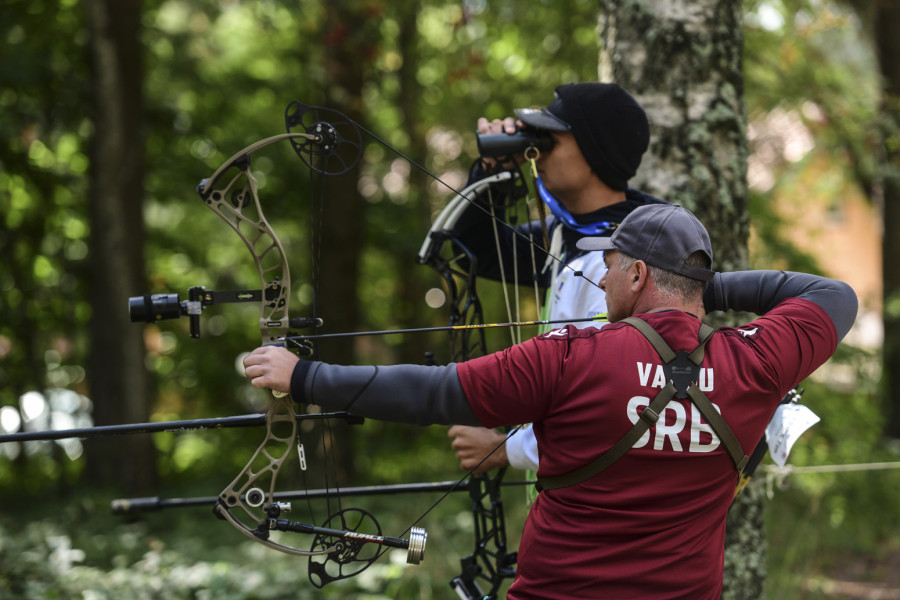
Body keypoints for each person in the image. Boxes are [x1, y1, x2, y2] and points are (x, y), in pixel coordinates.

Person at [242, 203, 858, 598]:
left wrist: (304, 377)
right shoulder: (756, 359)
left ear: (638, 275)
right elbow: (833, 295)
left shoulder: (569, 357)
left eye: (612, 265)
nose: (602, 276)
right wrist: (699, 287)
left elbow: (435, 395)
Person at [447, 82, 667, 476]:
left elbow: (611, 398)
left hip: (603, 506)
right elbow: (471, 250)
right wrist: (490, 176)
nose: (537, 152)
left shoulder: (639, 254)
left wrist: (505, 449)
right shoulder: (567, 233)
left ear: (593, 150)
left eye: (550, 139)